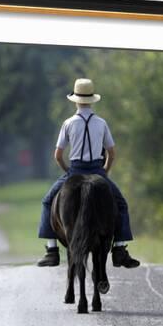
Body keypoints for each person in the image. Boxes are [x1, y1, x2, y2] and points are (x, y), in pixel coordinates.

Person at [36, 78, 140, 269]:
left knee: (47, 201)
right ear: (92, 100)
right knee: (121, 205)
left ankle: (51, 251)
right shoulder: (101, 123)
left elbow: (58, 155)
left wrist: (69, 172)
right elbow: (112, 153)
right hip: (97, 170)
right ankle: (119, 249)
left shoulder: (68, 123)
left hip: (74, 169)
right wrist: (104, 173)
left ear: (75, 100)